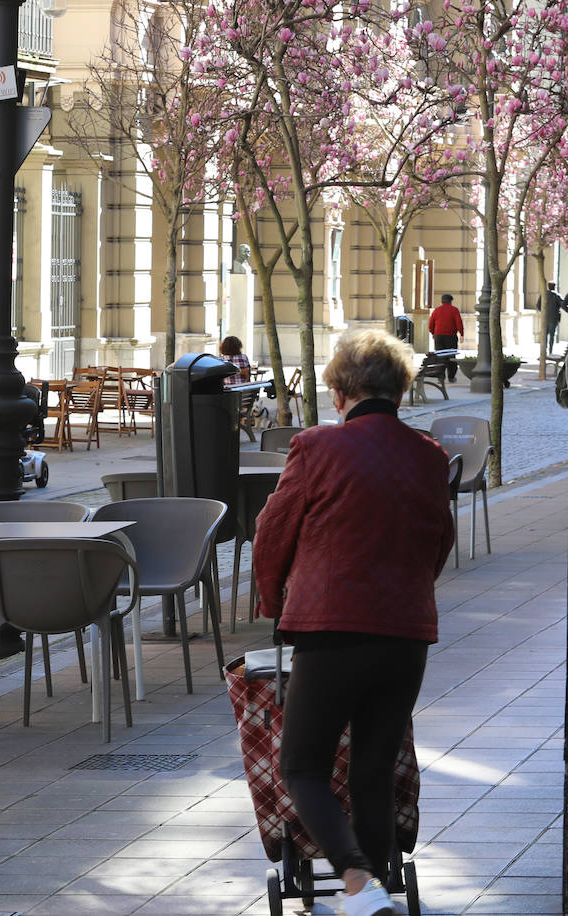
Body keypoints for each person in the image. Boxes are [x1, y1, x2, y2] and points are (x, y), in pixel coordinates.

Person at [252, 330, 454, 916]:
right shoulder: (429, 455)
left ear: (340, 391)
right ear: (400, 389)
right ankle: (378, 889)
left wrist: (274, 601)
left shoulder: (316, 447)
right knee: (373, 768)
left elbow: (273, 533)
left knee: (303, 765)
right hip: (404, 633)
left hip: (329, 629)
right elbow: (437, 543)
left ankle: (358, 881)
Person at [428, 293, 464, 381]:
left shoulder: (437, 310)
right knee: (451, 356)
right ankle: (451, 376)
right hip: (450, 336)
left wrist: (433, 333)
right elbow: (459, 323)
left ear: (442, 301)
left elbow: (431, 323)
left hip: (438, 336)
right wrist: (461, 334)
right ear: (451, 301)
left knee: (440, 356)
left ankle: (441, 376)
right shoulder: (454, 310)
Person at [544, 282, 564, 352]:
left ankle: (544, 351)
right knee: (552, 336)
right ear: (554, 287)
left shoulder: (544, 295)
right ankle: (550, 350)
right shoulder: (557, 295)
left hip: (545, 318)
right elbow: (563, 305)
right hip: (554, 318)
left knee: (544, 335)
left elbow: (538, 305)